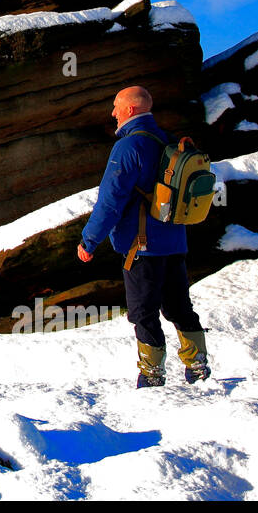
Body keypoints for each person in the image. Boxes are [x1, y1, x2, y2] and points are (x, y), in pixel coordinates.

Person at [77, 86, 210, 387]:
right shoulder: (168, 141)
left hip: (142, 248)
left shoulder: (128, 148)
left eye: (116, 106)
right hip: (175, 244)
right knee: (179, 307)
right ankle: (198, 364)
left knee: (143, 311)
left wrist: (89, 240)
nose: (112, 112)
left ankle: (151, 374)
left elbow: (110, 202)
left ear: (130, 110)